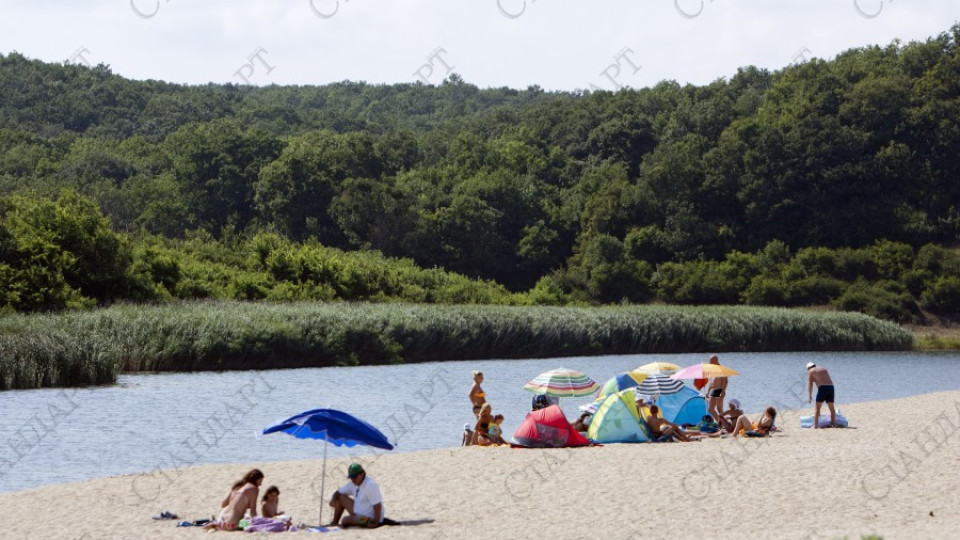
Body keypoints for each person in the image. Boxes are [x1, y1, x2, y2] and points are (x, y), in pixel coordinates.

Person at [329, 463, 383, 528]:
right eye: (351, 477)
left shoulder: (370, 485)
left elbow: (378, 506)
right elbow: (338, 492)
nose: (352, 479)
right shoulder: (353, 483)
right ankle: (334, 523)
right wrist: (333, 499)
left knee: (345, 520)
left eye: (354, 477)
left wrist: (375, 523)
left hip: (369, 519)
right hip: (357, 512)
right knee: (340, 497)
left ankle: (359, 521)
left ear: (362, 474)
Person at [807, 362, 837, 428]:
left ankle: (816, 425)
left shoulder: (811, 371)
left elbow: (810, 384)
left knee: (817, 408)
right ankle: (833, 424)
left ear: (809, 368)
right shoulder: (823, 369)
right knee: (831, 407)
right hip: (831, 387)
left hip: (823, 388)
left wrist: (810, 395)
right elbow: (824, 380)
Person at [705, 355, 728, 424]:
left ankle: (724, 424)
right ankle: (720, 422)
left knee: (719, 408)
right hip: (714, 390)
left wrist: (723, 391)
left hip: (720, 389)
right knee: (710, 409)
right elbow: (712, 382)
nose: (710, 363)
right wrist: (708, 391)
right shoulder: (713, 369)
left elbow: (725, 381)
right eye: (710, 361)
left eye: (711, 361)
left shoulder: (721, 369)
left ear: (716, 360)